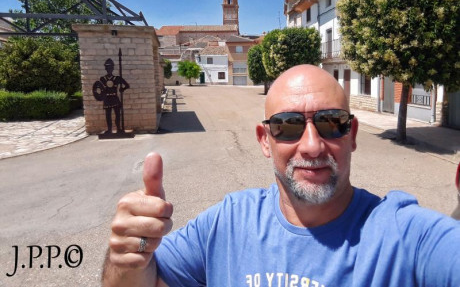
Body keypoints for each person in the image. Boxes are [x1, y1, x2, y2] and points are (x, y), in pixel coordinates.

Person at [102, 65, 460, 287]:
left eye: (331, 123)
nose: (312, 146)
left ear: (351, 136)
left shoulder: (402, 236)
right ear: (265, 141)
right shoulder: (227, 223)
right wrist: (124, 258)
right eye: (287, 126)